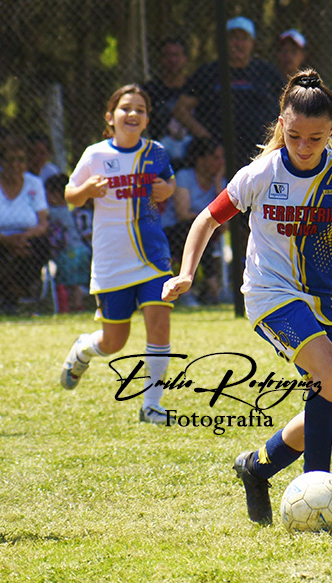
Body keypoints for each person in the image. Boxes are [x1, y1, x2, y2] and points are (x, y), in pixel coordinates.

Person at [162, 69, 332, 524]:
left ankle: (257, 467)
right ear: (281, 122)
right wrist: (186, 273)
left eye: (315, 138)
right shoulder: (262, 172)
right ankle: (320, 495)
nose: (302, 146)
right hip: (269, 294)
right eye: (294, 135)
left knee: (331, 412)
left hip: (320, 300)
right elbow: (206, 220)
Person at [60, 84, 177, 425]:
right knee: (115, 341)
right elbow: (70, 195)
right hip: (112, 260)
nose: (133, 114)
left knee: (159, 321)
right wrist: (86, 190)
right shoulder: (95, 154)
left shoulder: (156, 152)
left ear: (146, 119)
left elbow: (169, 183)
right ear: (110, 117)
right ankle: (83, 348)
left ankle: (152, 405)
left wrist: (167, 188)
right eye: (126, 108)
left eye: (140, 109)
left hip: (153, 256)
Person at [172, 16, 285, 169]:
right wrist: (206, 138)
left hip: (261, 153)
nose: (238, 44)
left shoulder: (267, 72)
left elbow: (288, 105)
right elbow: (180, 109)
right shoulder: (208, 72)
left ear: (252, 43)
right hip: (217, 157)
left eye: (244, 38)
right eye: (233, 38)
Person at [0, 134, 51, 313]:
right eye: (10, 160)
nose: (15, 165)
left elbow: (43, 223)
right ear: (1, 162)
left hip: (25, 238)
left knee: (42, 244)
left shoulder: (34, 184)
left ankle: (17, 292)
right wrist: (4, 239)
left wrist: (21, 238)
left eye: (21, 160)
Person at [166, 137, 227, 304]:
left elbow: (226, 225)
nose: (221, 163)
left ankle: (199, 292)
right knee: (196, 229)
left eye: (222, 158)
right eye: (216, 158)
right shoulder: (185, 177)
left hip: (206, 234)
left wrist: (216, 184)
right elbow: (183, 214)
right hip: (173, 231)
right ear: (201, 160)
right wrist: (210, 221)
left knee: (204, 234)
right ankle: (214, 291)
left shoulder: (220, 183)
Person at [44, 172, 91, 313]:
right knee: (75, 283)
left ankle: (72, 306)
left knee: (67, 283)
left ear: (56, 195)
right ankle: (77, 304)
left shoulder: (53, 212)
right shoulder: (68, 211)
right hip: (81, 249)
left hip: (68, 252)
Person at [143, 37, 192, 168]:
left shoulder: (194, 88)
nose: (172, 60)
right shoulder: (149, 90)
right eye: (167, 55)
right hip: (158, 156)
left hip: (193, 158)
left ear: (185, 58)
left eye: (176, 55)